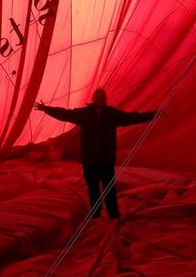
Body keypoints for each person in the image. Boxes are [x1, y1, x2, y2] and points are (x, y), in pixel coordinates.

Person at [35, 88, 158, 219]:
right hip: (89, 159)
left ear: (105, 99)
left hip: (106, 159)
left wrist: (151, 115)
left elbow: (131, 117)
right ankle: (95, 215)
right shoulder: (85, 113)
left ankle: (113, 214)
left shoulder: (112, 114)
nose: (99, 99)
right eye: (97, 97)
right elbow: (66, 114)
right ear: (94, 99)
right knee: (93, 188)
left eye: (102, 97)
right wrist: (46, 109)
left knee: (109, 188)